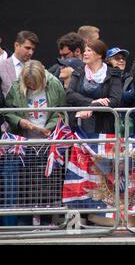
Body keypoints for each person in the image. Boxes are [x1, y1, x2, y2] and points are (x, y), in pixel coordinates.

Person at [3, 60, 66, 226]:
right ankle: (24, 220)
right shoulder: (16, 87)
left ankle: (46, 219)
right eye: (28, 84)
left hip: (47, 142)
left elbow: (61, 111)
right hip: (24, 141)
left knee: (49, 181)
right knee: (24, 183)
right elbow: (8, 112)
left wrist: (49, 128)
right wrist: (21, 122)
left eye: (34, 84)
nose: (31, 87)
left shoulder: (54, 84)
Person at [66, 39, 122, 134]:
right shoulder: (78, 72)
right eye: (85, 51)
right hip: (80, 124)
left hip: (104, 126)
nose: (85, 53)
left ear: (99, 55)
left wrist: (92, 107)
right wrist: (91, 101)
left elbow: (115, 100)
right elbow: (69, 94)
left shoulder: (113, 74)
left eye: (89, 50)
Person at [0, 30, 39, 97]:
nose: (30, 52)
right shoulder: (1, 67)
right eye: (27, 48)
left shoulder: (38, 68)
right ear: (16, 45)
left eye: (33, 49)